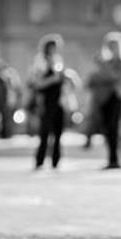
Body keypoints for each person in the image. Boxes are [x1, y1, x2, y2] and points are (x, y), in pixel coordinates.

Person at [29, 34, 79, 170]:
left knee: (58, 131)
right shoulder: (40, 61)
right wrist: (54, 79)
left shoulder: (58, 60)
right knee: (44, 131)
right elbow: (38, 83)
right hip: (47, 100)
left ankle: (56, 160)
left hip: (59, 100)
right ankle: (40, 160)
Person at [95, 31, 121, 169]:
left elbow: (114, 76)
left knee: (115, 128)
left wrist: (103, 67)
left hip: (117, 96)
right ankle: (111, 158)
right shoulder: (105, 61)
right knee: (106, 129)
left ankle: (116, 159)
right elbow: (97, 77)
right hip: (104, 97)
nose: (112, 48)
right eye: (109, 45)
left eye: (114, 45)